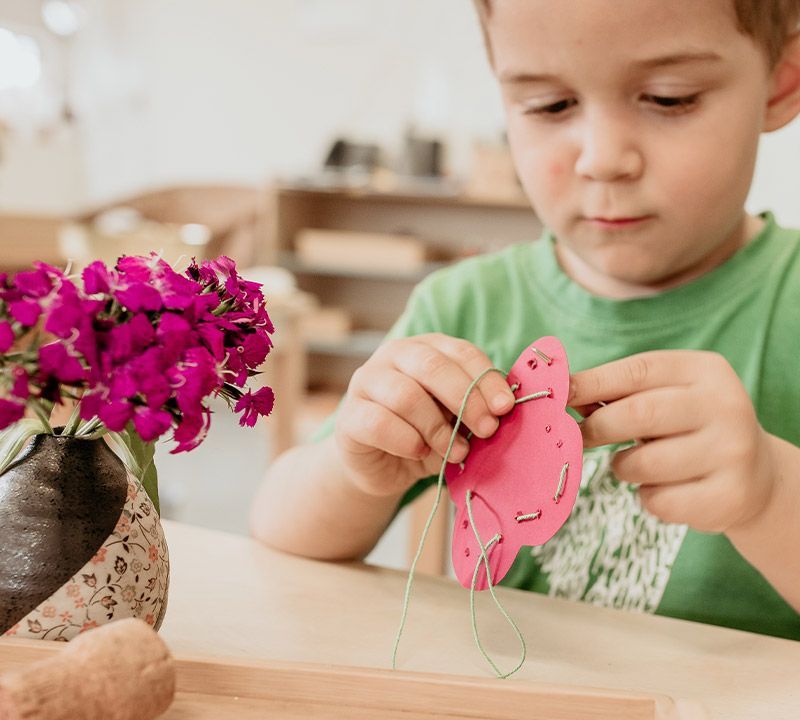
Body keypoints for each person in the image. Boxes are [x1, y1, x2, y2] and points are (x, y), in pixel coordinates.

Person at [251, 0, 800, 640]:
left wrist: (771, 494)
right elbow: (278, 531)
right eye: (549, 105)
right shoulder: (464, 308)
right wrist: (353, 473)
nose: (603, 158)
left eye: (668, 98)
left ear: (780, 82)